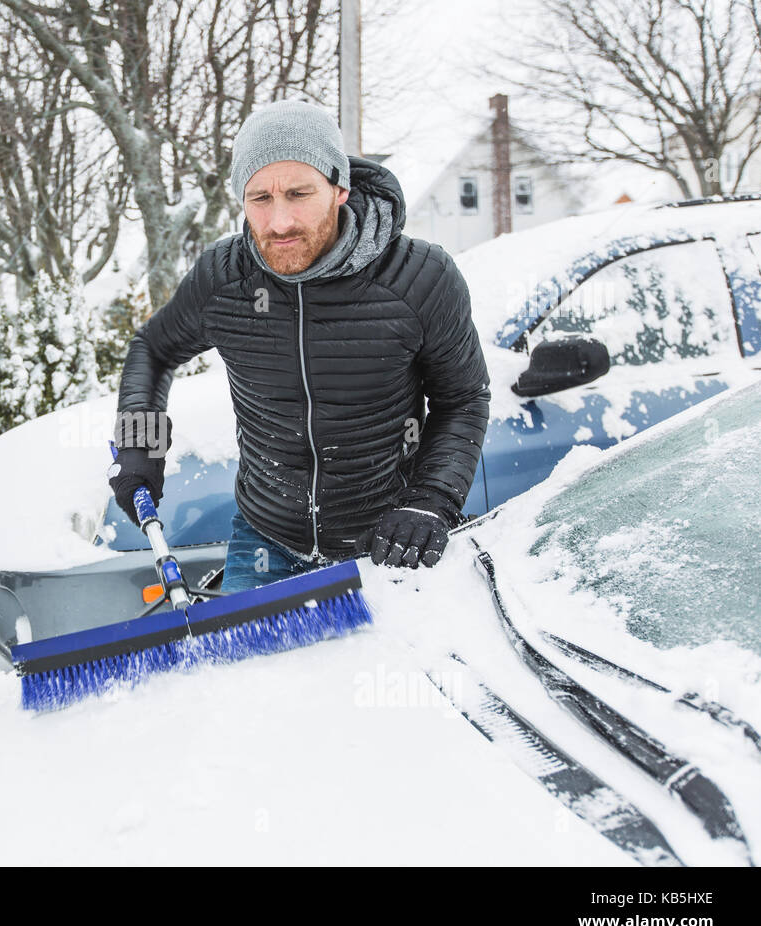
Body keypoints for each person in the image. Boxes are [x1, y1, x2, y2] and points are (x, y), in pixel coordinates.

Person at [107, 99, 491, 593]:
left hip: (385, 542)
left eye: (299, 193)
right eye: (260, 198)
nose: (280, 222)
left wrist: (431, 499)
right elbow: (153, 348)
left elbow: (463, 398)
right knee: (251, 670)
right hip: (265, 539)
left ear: (340, 189)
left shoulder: (420, 278)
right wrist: (141, 442)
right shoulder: (223, 279)